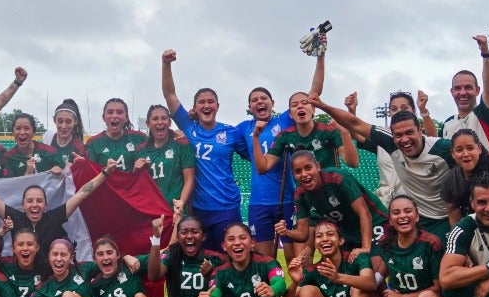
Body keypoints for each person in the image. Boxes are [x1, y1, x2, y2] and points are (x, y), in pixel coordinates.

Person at [309, 97, 455, 245]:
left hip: (442, 218)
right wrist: (322, 105)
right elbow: (356, 125)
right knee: (391, 256)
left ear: (420, 130)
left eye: (410, 132)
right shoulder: (389, 142)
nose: (404, 139)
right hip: (411, 216)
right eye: (398, 135)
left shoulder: (443, 148)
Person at [237, 44, 327, 258]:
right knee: (262, 260)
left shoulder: (284, 120)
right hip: (258, 203)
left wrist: (320, 57)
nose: (259, 102)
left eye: (263, 98)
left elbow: (313, 93)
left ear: (272, 103)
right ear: (249, 107)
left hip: (286, 200)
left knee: (293, 259)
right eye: (254, 100)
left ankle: (296, 292)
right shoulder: (242, 129)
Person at [161, 50, 246, 250]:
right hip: (198, 210)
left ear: (217, 106)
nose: (206, 105)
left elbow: (255, 157)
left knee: (229, 259)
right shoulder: (188, 127)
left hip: (227, 208)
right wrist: (166, 64)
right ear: (195, 107)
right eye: (202, 102)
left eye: (210, 102)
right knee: (202, 262)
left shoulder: (230, 133)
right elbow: (170, 95)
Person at [0, 157, 118, 260]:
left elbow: (81, 194)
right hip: (22, 276)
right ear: (23, 205)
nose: (34, 204)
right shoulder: (15, 217)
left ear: (46, 205)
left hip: (49, 277)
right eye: (30, 201)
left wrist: (105, 173)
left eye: (39, 201)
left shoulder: (55, 217)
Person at [274, 151, 388, 260]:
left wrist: (366, 248)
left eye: (308, 168)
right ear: (293, 175)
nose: (304, 174)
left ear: (318, 167)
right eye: (298, 171)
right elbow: (303, 234)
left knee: (374, 268)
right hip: (348, 233)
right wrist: (286, 232)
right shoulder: (300, 195)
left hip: (376, 222)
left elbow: (364, 212)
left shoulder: (338, 178)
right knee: (337, 269)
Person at [343, 90, 435, 206]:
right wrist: (352, 111)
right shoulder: (382, 138)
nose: (398, 112)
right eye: (394, 109)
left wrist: (424, 111)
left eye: (404, 108)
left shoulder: (417, 138)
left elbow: (433, 139)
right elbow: (356, 134)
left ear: (414, 110)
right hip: (387, 202)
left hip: (415, 200)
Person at [440, 35, 489, 153]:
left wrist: (485, 54)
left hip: (487, 171)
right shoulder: (448, 123)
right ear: (452, 92)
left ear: (478, 90)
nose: (462, 92)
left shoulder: (483, 114)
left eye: (468, 87)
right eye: (457, 88)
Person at [135, 105, 196, 212]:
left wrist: (180, 204)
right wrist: (135, 168)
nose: (160, 122)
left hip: (175, 211)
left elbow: (189, 179)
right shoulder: (141, 150)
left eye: (164, 118)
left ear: (169, 122)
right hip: (151, 211)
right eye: (155, 119)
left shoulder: (182, 145)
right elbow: (136, 184)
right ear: (148, 124)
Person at [85, 98, 148, 172]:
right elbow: (90, 173)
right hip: (105, 183)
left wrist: (138, 167)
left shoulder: (140, 138)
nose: (114, 116)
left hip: (134, 183)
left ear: (126, 118)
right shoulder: (93, 143)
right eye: (110, 112)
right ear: (103, 117)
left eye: (119, 112)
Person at [43, 98, 86, 168]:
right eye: (60, 121)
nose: (63, 126)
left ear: (75, 121)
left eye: (68, 122)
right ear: (54, 120)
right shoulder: (48, 137)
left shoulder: (79, 148)